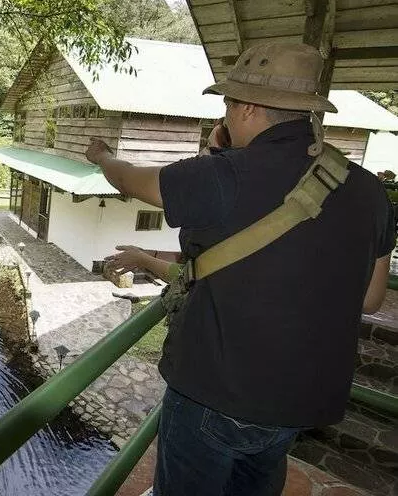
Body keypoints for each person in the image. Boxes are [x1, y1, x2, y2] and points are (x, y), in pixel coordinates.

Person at [85, 42, 396, 496]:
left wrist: (102, 157)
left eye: (229, 104)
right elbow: (370, 298)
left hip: (217, 392)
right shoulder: (369, 190)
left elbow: (130, 178)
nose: (227, 116)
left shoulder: (222, 176)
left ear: (247, 107)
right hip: (299, 401)